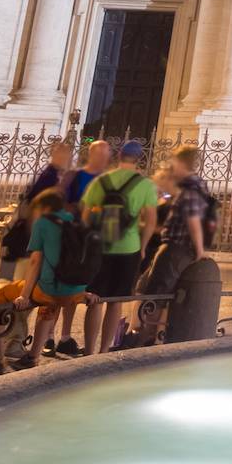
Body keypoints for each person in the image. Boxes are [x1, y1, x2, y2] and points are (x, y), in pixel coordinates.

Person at [81, 140, 159, 356]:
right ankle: (105, 350)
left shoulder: (102, 181)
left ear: (119, 157)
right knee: (115, 302)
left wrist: (91, 241)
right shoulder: (145, 185)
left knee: (94, 300)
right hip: (128, 248)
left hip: (101, 247)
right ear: (139, 159)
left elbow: (85, 217)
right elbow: (151, 220)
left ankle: (88, 351)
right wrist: (143, 247)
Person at [134, 147, 211, 342]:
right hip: (177, 248)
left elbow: (193, 220)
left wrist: (200, 250)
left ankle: (145, 340)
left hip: (175, 248)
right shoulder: (194, 186)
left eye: (174, 162)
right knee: (154, 291)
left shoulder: (190, 188)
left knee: (156, 296)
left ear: (181, 163)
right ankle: (149, 337)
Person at [13, 190, 91, 366]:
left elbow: (35, 261)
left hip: (54, 288)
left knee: (43, 303)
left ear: (45, 207)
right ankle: (49, 342)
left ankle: (32, 356)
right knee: (53, 296)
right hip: (77, 287)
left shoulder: (42, 223)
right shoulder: (76, 220)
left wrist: (24, 295)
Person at [3, 140, 72, 266]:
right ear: (57, 155)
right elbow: (38, 205)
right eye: (65, 154)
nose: (68, 157)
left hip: (42, 230)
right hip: (40, 231)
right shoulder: (49, 176)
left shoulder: (55, 174)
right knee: (31, 266)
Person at [59, 140, 112, 208]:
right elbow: (60, 200)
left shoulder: (108, 179)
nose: (103, 158)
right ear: (91, 154)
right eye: (100, 154)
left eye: (106, 155)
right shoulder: (72, 175)